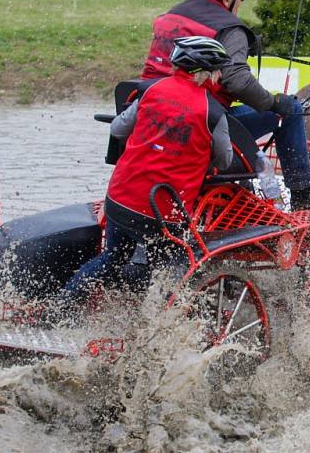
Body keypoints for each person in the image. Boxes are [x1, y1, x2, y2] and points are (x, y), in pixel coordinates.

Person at [141, 0, 310, 209]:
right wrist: (272, 102)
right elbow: (238, 81)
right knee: (291, 109)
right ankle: (304, 193)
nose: (240, 3)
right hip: (201, 126)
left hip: (152, 117)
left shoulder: (170, 17)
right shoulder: (229, 29)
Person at [60, 37, 236, 310]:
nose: (221, 75)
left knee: (113, 257)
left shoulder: (151, 89)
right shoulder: (214, 114)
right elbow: (225, 161)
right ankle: (160, 319)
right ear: (206, 72)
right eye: (219, 70)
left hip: (120, 199)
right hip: (164, 212)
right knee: (172, 268)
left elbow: (118, 129)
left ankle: (62, 307)